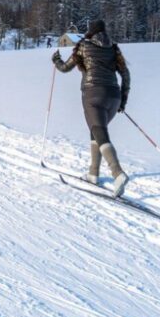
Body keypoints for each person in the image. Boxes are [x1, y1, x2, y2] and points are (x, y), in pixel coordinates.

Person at [52, 20, 131, 197]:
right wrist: (123, 100)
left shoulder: (83, 46)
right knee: (96, 131)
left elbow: (65, 68)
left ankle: (118, 173)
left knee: (99, 132)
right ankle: (93, 174)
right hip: (114, 96)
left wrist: (56, 60)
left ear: (90, 32)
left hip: (93, 94)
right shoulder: (113, 48)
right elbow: (126, 75)